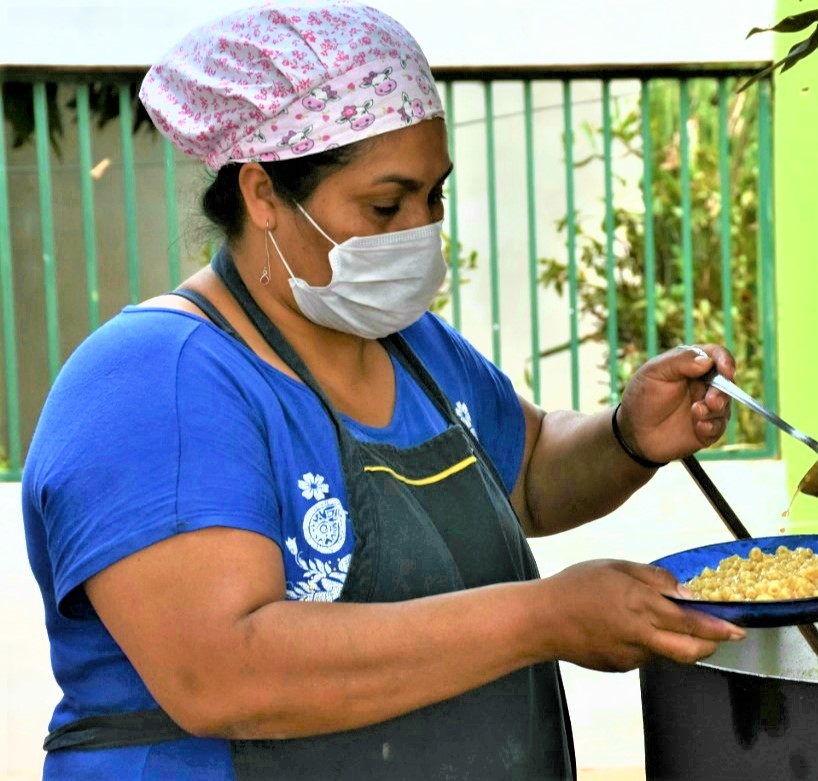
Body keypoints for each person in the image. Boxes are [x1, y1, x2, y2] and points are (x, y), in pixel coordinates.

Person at [20, 3, 744, 778]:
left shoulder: (414, 348)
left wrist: (626, 437)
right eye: (384, 205)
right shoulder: (156, 381)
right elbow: (223, 671)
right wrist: (546, 617)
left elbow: (526, 475)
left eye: (433, 196)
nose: (421, 229)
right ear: (263, 193)